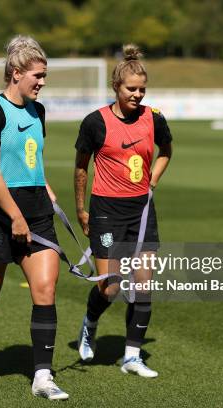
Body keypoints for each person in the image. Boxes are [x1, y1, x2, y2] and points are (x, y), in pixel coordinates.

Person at [0, 35, 69, 400]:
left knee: (45, 290)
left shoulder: (40, 111)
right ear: (16, 72)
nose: (42, 82)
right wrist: (15, 218)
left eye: (45, 75)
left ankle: (42, 376)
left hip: (36, 215)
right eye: (37, 75)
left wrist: (45, 186)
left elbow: (29, 159)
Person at [73, 44, 173, 377]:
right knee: (111, 287)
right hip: (105, 211)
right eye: (132, 89)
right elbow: (81, 167)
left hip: (142, 211)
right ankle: (89, 323)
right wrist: (81, 209)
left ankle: (132, 357)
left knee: (143, 284)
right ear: (116, 87)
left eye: (143, 89)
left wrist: (153, 182)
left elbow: (166, 150)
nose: (138, 94)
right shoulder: (95, 122)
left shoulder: (154, 117)